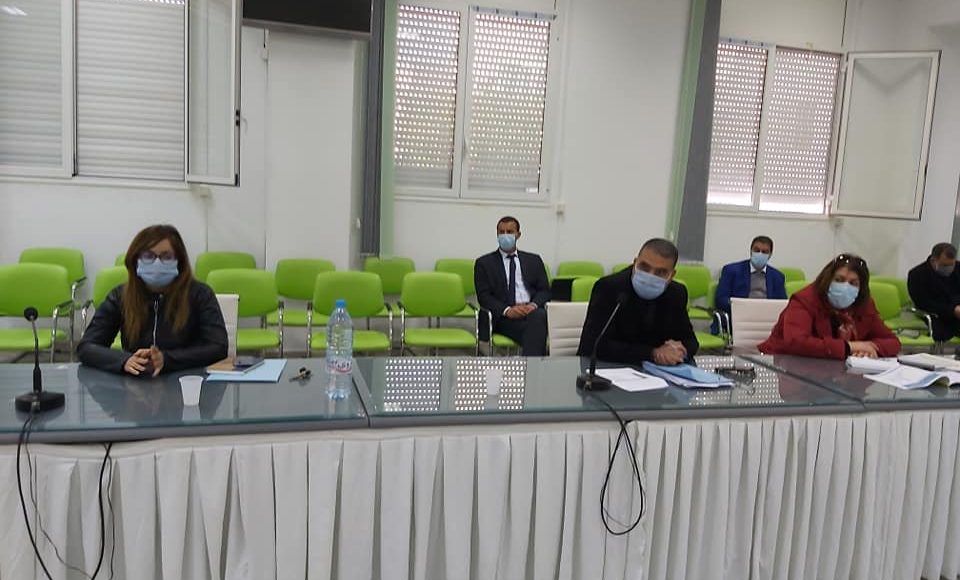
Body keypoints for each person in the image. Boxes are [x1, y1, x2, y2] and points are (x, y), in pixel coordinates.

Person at [78, 224, 228, 376]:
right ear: (136, 260)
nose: (157, 263)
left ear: (179, 261)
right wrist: (124, 360)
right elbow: (87, 347)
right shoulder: (120, 296)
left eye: (166, 257)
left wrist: (166, 359)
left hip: (187, 379)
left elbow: (218, 348)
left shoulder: (200, 294)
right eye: (148, 256)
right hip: (135, 382)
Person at [577, 238, 698, 365]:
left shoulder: (676, 293)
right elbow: (592, 345)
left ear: (671, 275)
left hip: (656, 371)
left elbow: (691, 341)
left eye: (660, 272)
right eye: (644, 267)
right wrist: (653, 353)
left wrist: (679, 350)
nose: (650, 276)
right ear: (635, 263)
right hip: (610, 367)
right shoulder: (609, 287)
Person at [758, 254, 900, 359]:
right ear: (827, 279)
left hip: (838, 371)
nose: (846, 286)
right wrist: (850, 347)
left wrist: (870, 348)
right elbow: (797, 342)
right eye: (839, 280)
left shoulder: (864, 304)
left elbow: (893, 342)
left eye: (853, 283)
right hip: (784, 364)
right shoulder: (805, 300)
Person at [474, 216, 551, 356]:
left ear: (518, 235)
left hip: (530, 313)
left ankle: (528, 363)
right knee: (536, 332)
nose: (505, 236)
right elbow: (484, 296)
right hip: (503, 318)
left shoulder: (534, 260)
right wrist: (507, 310)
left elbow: (544, 291)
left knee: (538, 317)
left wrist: (532, 306)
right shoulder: (484, 263)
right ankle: (533, 365)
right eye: (501, 232)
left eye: (509, 232)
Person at [714, 235, 787, 333]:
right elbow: (720, 299)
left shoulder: (777, 277)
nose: (760, 254)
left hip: (766, 322)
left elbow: (782, 304)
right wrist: (742, 307)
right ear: (751, 251)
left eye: (764, 252)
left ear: (770, 255)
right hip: (737, 320)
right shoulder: (731, 271)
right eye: (757, 250)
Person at [907, 242, 960, 341]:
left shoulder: (958, 268)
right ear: (933, 260)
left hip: (956, 310)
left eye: (952, 264)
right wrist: (952, 310)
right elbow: (923, 303)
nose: (949, 268)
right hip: (935, 313)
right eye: (944, 265)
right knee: (942, 330)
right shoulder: (917, 275)